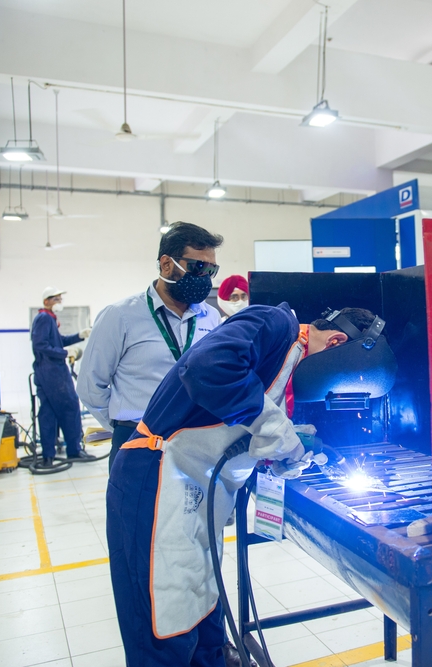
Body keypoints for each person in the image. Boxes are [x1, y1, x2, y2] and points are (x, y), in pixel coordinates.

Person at [107, 305, 379, 667]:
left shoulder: (289, 366)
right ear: (335, 341)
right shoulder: (273, 322)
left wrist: (282, 450)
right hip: (157, 482)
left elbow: (234, 428)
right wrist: (275, 430)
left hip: (196, 496)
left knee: (202, 611)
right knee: (166, 621)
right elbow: (207, 369)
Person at [77, 222, 224, 470]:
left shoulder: (210, 317)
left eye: (211, 270)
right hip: (137, 438)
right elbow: (91, 386)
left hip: (194, 439)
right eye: (197, 267)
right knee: (136, 509)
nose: (204, 278)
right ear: (167, 264)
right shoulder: (120, 316)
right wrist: (127, 426)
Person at [31, 287, 94, 467]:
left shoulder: (48, 319)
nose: (59, 301)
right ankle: (74, 450)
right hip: (53, 374)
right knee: (70, 408)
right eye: (55, 299)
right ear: (46, 301)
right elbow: (40, 345)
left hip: (47, 373)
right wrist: (63, 353)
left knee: (48, 413)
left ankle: (48, 456)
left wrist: (79, 336)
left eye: (60, 298)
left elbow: (58, 341)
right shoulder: (44, 318)